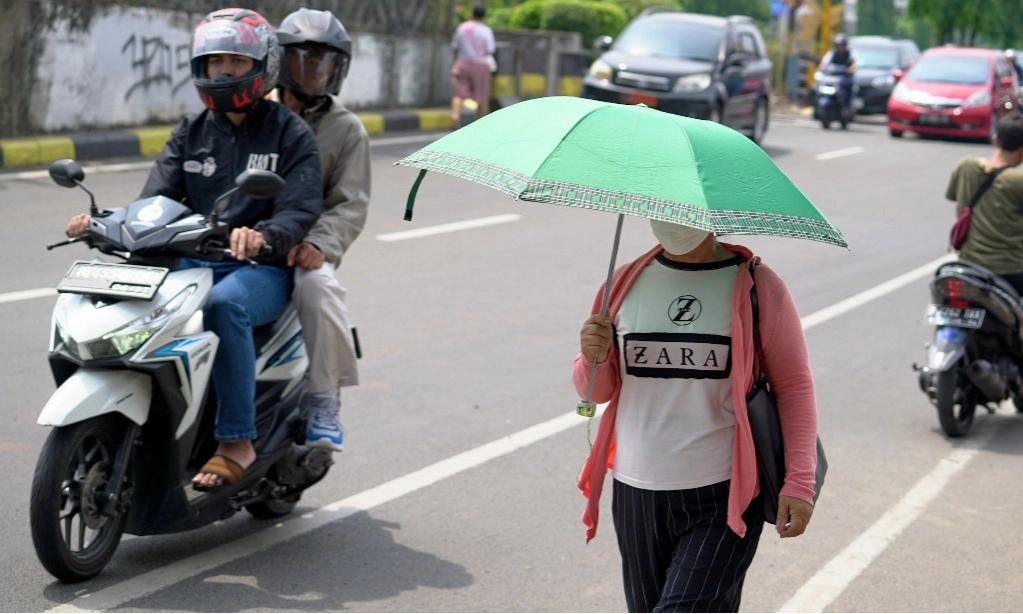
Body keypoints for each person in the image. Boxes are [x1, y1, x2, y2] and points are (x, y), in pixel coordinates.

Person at [66, 8, 323, 491]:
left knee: (225, 306)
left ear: (262, 65)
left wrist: (263, 235)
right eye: (215, 62)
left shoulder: (290, 133)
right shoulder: (192, 130)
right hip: (192, 260)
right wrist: (103, 223)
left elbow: (300, 210)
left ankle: (236, 441)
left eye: (236, 61)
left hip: (259, 270)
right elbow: (154, 203)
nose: (224, 72)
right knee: (129, 296)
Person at [574, 222, 819, 613]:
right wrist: (593, 356)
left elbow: (793, 386)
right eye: (660, 207)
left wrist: (800, 483)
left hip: (723, 495)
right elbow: (595, 391)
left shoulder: (758, 286)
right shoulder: (621, 284)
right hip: (636, 493)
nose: (669, 218)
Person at [275, 7, 371, 451]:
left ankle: (325, 400)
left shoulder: (346, 129)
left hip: (303, 248)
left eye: (326, 60)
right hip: (244, 240)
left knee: (318, 288)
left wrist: (319, 243)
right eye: (305, 57)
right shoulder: (257, 112)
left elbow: (351, 203)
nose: (315, 68)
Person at [946, 113, 1023, 293]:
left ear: (995, 140)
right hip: (1010, 270)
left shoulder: (966, 165)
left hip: (968, 264)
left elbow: (954, 198)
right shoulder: (1018, 180)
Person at [450, 4, 495, 128]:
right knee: (481, 96)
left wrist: (457, 61)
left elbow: (455, 47)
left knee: (458, 94)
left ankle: (455, 117)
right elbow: (489, 50)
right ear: (483, 16)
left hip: (463, 63)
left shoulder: (462, 27)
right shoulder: (486, 30)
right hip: (480, 64)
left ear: (472, 14)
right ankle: (480, 124)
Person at [823, 33, 857, 109]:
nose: (840, 47)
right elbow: (824, 63)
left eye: (842, 45)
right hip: (833, 78)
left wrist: (850, 69)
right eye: (838, 45)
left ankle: (847, 106)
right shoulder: (831, 53)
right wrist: (821, 68)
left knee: (849, 87)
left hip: (845, 78)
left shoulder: (850, 53)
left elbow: (854, 64)